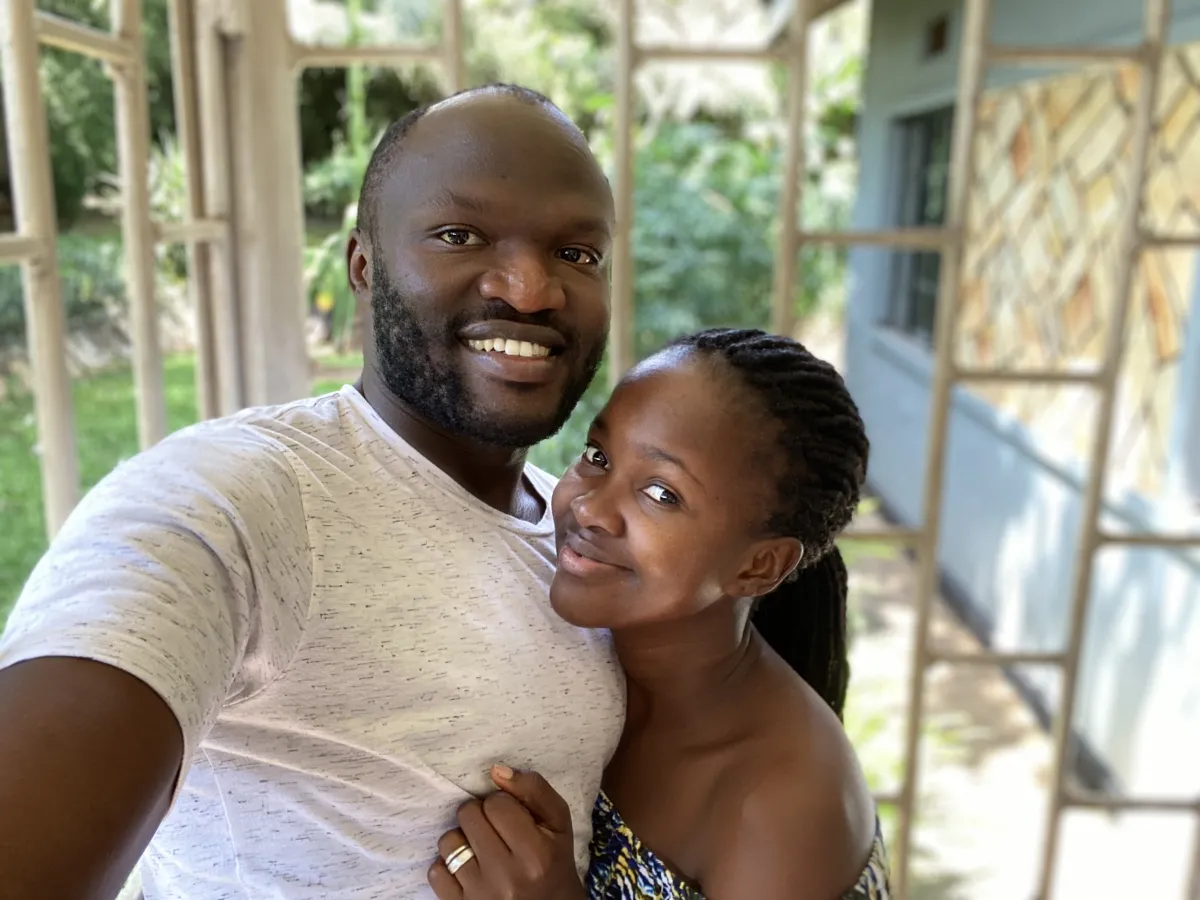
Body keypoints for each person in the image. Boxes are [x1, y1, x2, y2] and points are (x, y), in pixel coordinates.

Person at [0, 85, 625, 899]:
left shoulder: (581, 532)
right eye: (459, 235)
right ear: (364, 268)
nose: (530, 288)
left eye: (578, 254)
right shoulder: (236, 502)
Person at [426, 329, 891, 900]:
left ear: (759, 566)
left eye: (662, 494)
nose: (588, 507)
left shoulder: (782, 804)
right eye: (599, 456)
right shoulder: (587, 654)